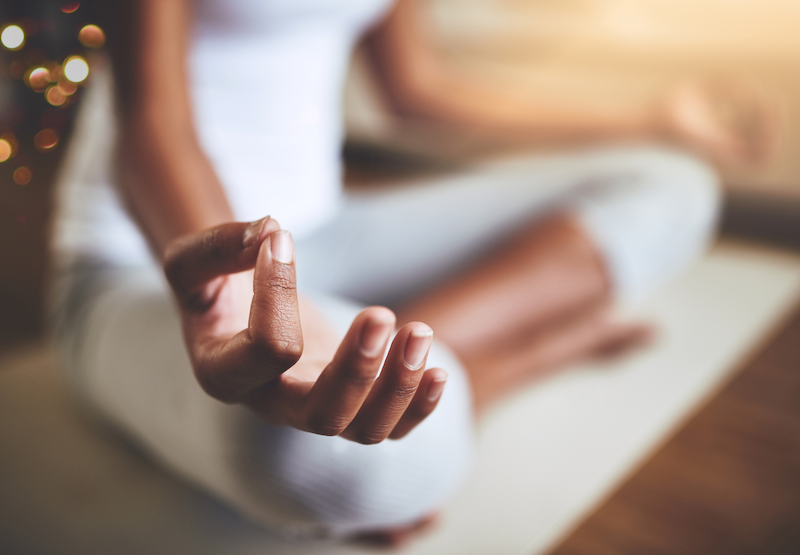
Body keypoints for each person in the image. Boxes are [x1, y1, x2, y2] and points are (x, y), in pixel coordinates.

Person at [50, 0, 768, 545]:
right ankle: (510, 358)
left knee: (670, 185)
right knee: (325, 463)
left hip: (330, 234)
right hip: (143, 262)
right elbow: (153, 122)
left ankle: (410, 366)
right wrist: (235, 300)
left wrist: (650, 116)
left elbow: (418, 89)